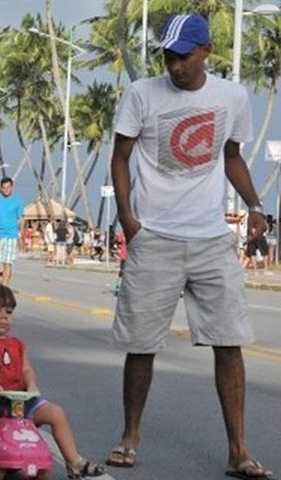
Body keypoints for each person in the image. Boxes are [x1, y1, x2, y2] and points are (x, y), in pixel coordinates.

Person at [107, 14, 272, 479]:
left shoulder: (232, 97)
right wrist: (127, 217)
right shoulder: (143, 95)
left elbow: (231, 157)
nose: (175, 65)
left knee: (229, 342)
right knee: (141, 345)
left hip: (210, 239)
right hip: (154, 236)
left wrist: (255, 205)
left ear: (206, 52)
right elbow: (120, 157)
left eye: (184, 55)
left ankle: (238, 449)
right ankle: (130, 437)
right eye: (168, 55)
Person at [0, 283, 105, 479]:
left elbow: (26, 369)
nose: (4, 316)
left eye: (9, 312)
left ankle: (74, 461)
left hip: (20, 399)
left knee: (56, 413)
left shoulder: (17, 344)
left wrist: (32, 385)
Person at [0, 177, 24, 286]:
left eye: (8, 187)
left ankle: (4, 287)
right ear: (1, 188)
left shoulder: (17, 201)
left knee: (7, 263)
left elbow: (21, 220)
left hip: (12, 235)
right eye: (4, 188)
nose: (6, 190)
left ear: (12, 187)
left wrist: (21, 237)